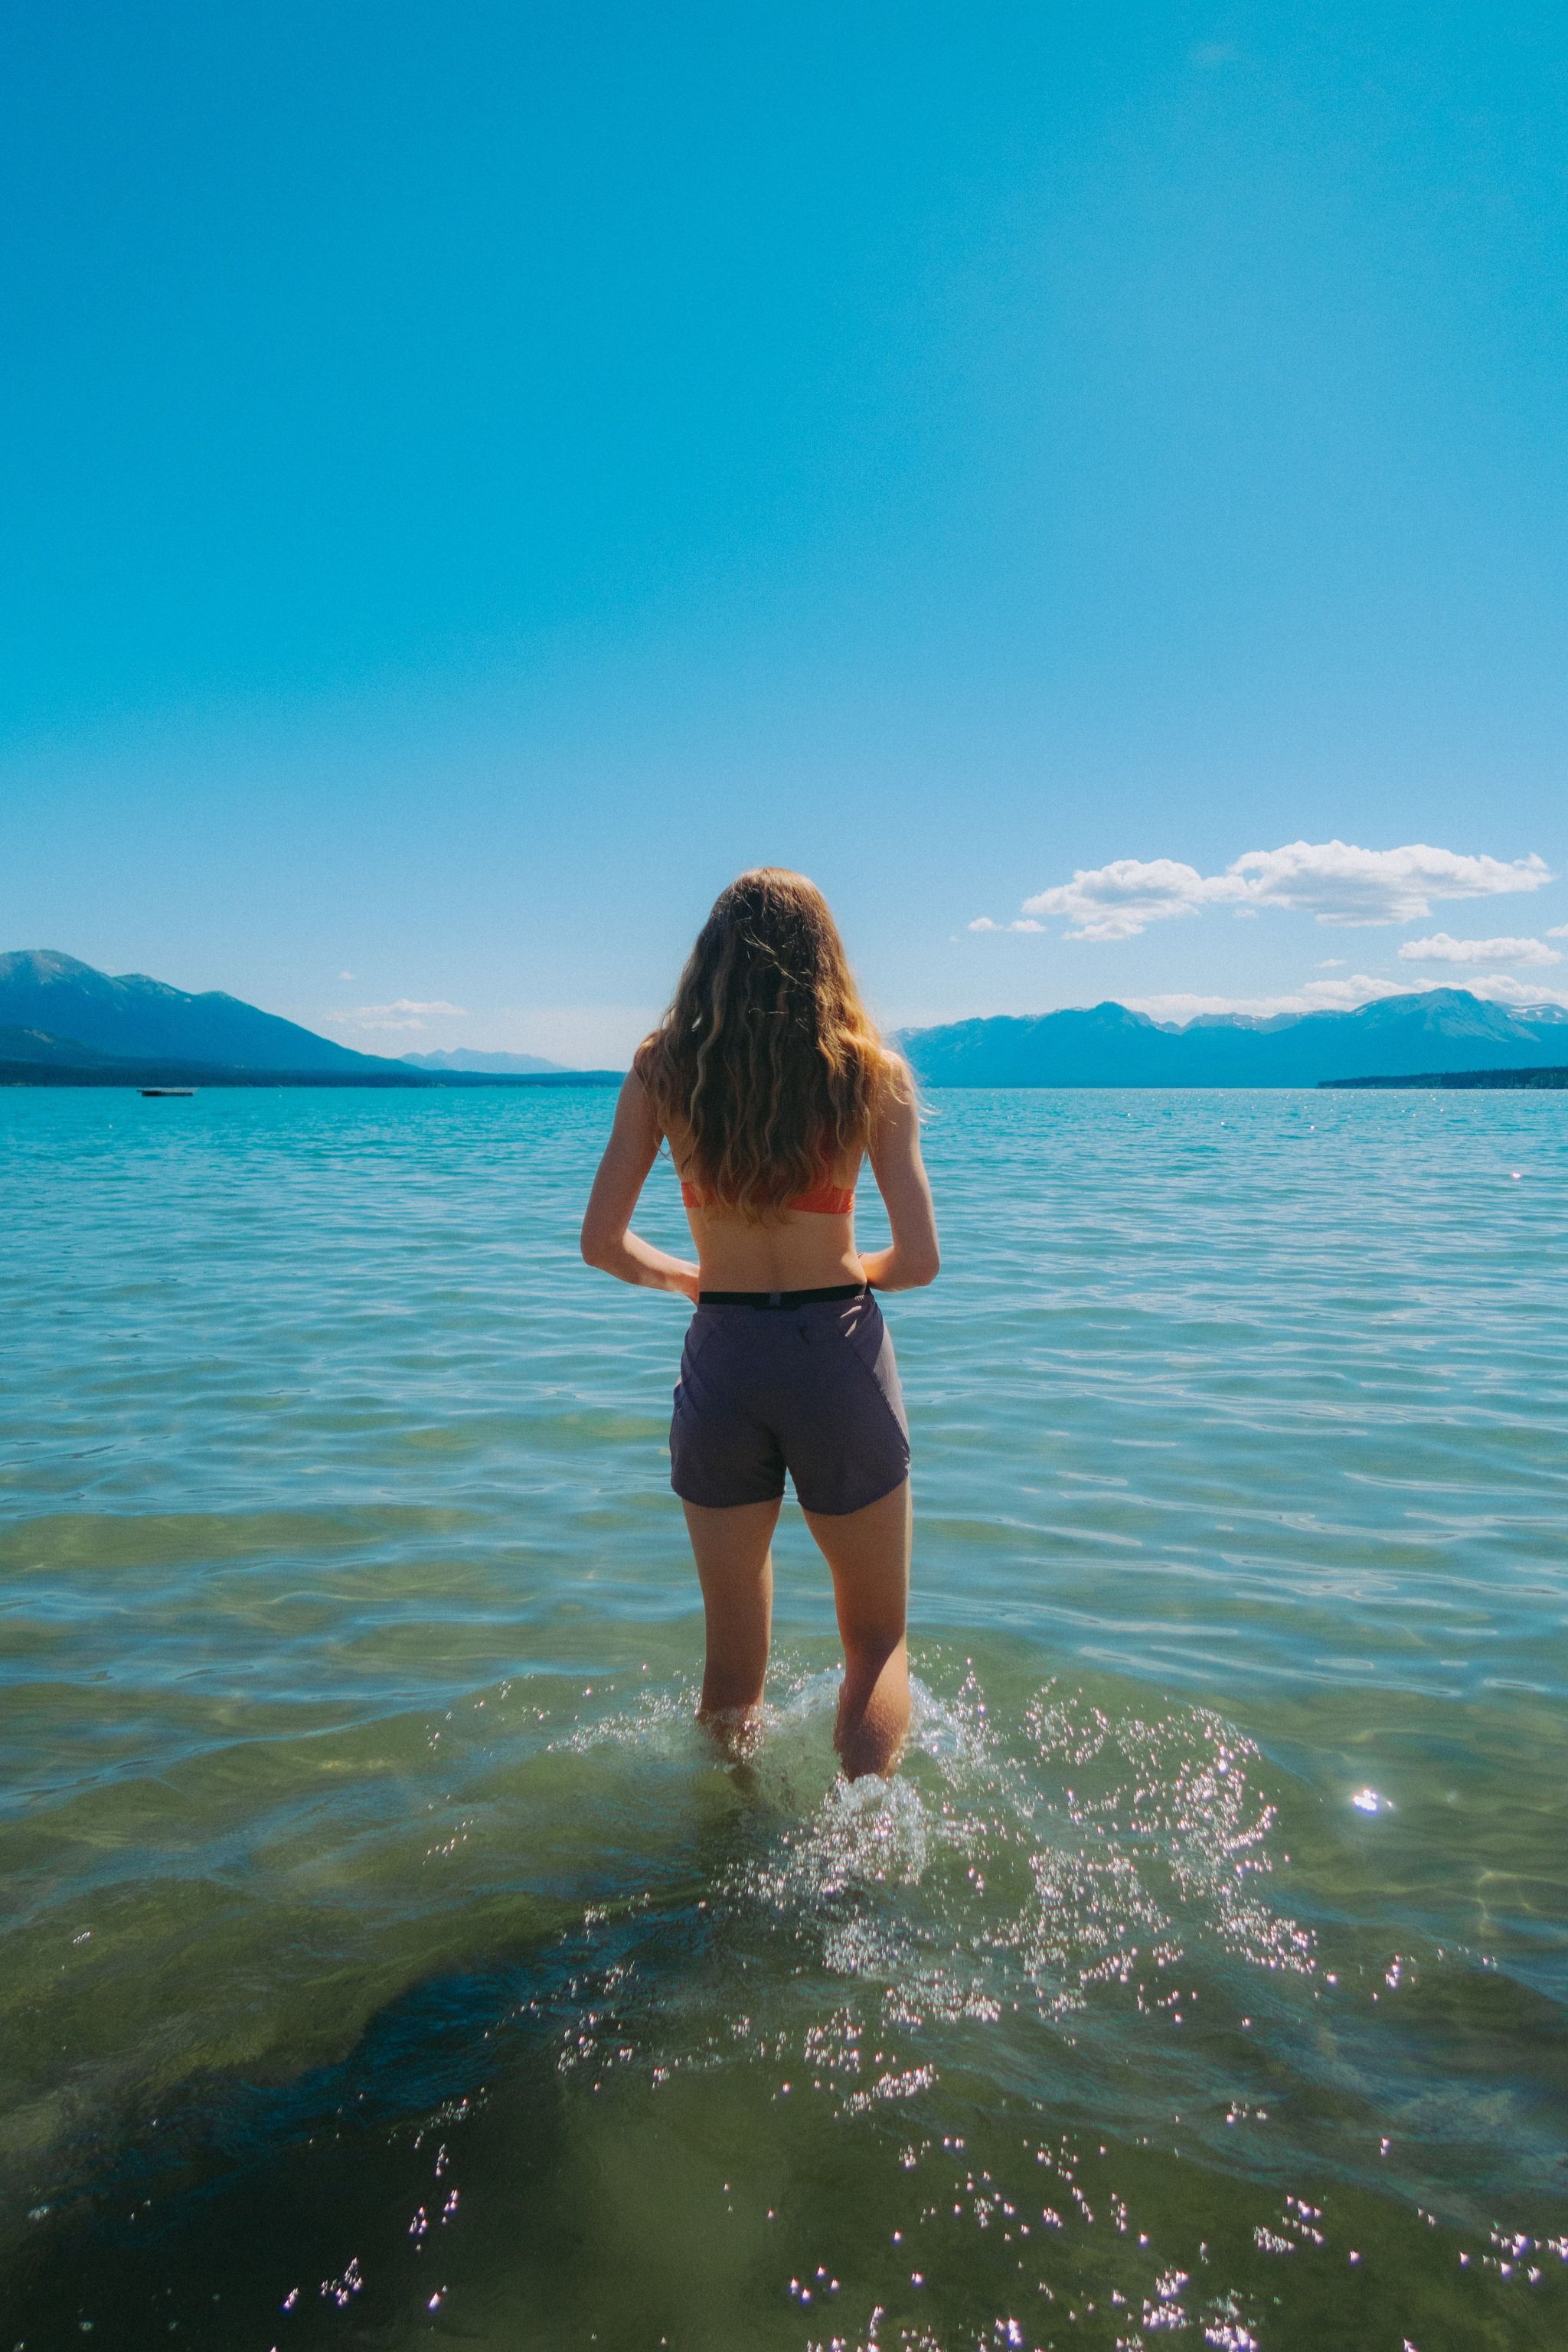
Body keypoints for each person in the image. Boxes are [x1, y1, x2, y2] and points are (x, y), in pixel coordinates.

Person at [580, 868, 939, 1778]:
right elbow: (919, 1261)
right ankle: (858, 1864)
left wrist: (696, 1283)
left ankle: (723, 1852)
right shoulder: (870, 1073)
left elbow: (603, 1243)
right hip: (835, 1351)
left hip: (724, 1359)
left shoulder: (664, 1068)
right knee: (875, 1645)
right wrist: (842, 1271)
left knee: (731, 1671)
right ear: (826, 958)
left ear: (711, 958)